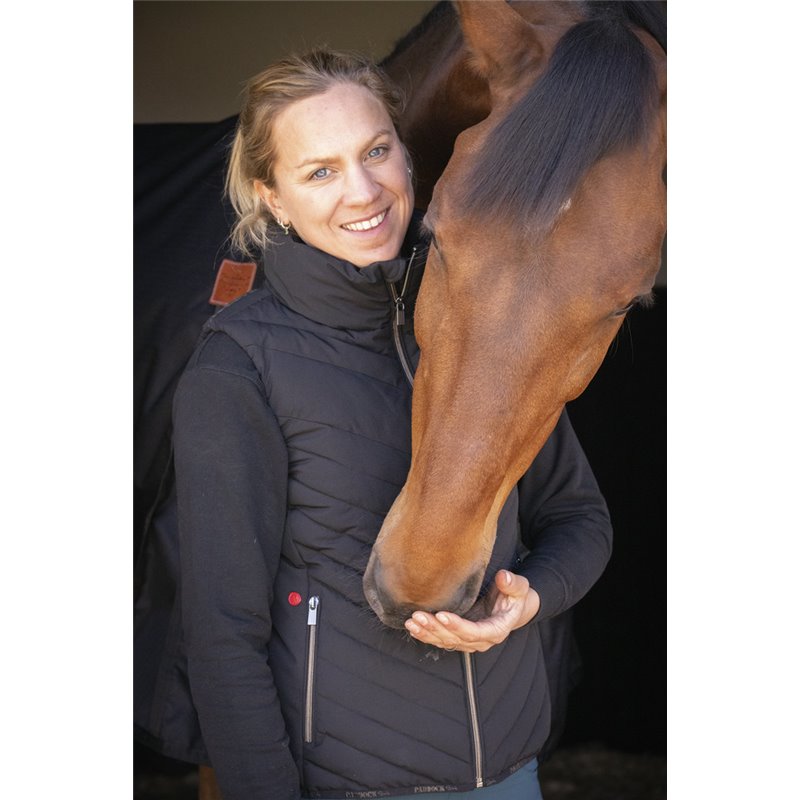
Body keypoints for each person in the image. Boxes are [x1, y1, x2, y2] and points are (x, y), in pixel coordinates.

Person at [143, 48, 612, 799]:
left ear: (406, 152)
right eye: (319, 172)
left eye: (375, 151)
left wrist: (532, 593)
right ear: (272, 198)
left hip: (510, 773)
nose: (363, 191)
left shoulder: (485, 325)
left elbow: (580, 518)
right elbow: (223, 634)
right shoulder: (240, 367)